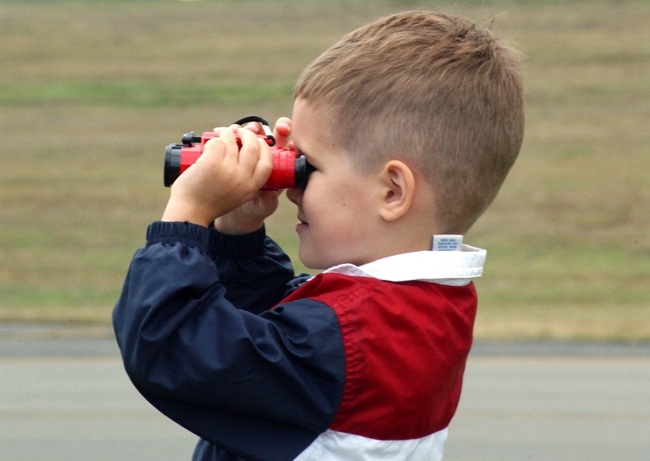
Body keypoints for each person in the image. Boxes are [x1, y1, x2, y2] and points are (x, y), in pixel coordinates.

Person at [113, 10, 524, 461]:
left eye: (307, 167)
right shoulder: (421, 306)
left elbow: (172, 347)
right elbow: (268, 341)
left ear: (392, 190)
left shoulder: (348, 337)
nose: (290, 188)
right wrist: (238, 233)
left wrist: (187, 217)